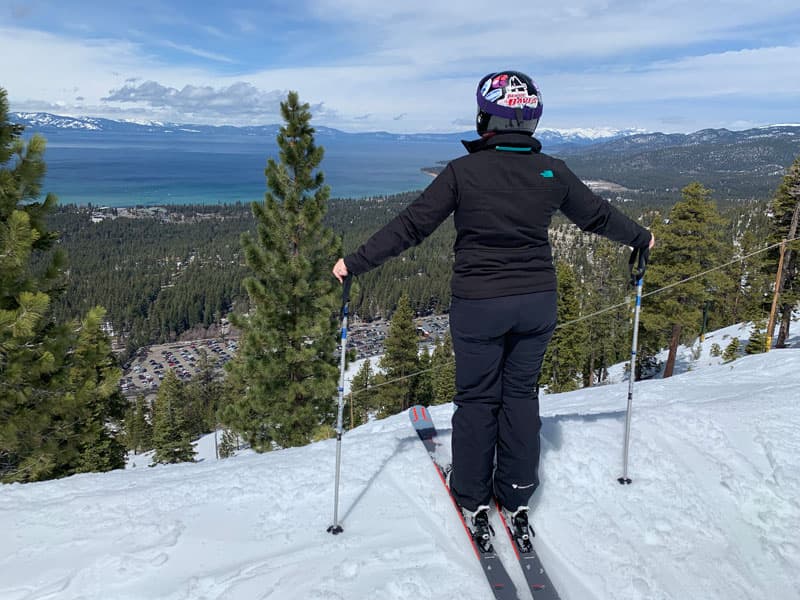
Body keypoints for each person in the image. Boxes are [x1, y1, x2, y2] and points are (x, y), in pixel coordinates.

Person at [332, 70, 654, 541]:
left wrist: (354, 264)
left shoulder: (463, 172)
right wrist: (641, 238)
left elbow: (411, 227)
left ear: (486, 117)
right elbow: (598, 217)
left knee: (479, 398)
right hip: (537, 303)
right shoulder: (553, 171)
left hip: (480, 305)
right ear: (531, 121)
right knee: (520, 395)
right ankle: (518, 490)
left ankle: (471, 494)